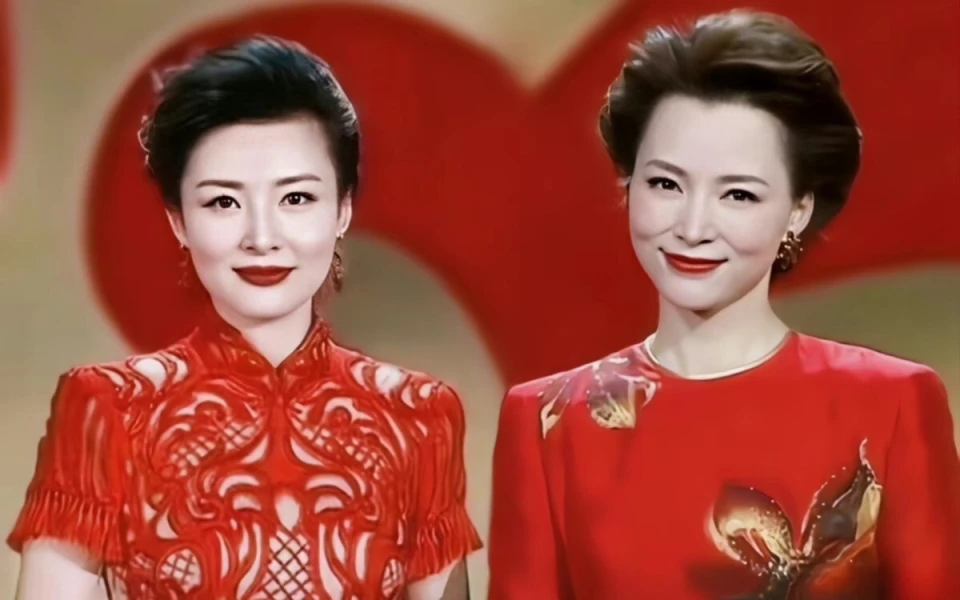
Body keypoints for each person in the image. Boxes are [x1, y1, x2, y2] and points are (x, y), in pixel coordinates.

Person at [487, 10, 960, 600]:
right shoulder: (548, 422)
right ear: (628, 184)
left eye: (737, 194)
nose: (692, 227)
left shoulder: (894, 403)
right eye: (665, 184)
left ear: (798, 211)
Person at [8, 36, 481, 600]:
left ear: (343, 209)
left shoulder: (420, 415)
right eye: (223, 202)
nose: (261, 237)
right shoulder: (106, 408)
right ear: (179, 221)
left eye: (296, 199)